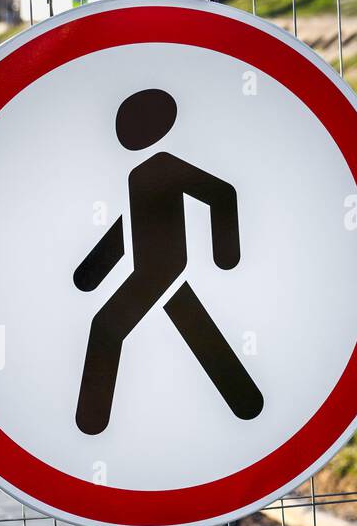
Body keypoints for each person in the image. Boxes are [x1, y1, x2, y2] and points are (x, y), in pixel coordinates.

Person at [73, 88, 262, 435]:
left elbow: (221, 194)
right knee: (195, 326)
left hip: (162, 268)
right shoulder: (140, 173)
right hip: (153, 268)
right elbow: (127, 228)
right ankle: (247, 402)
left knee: (106, 327)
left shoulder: (165, 165)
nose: (120, 134)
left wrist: (226, 255)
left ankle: (90, 420)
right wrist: (91, 272)